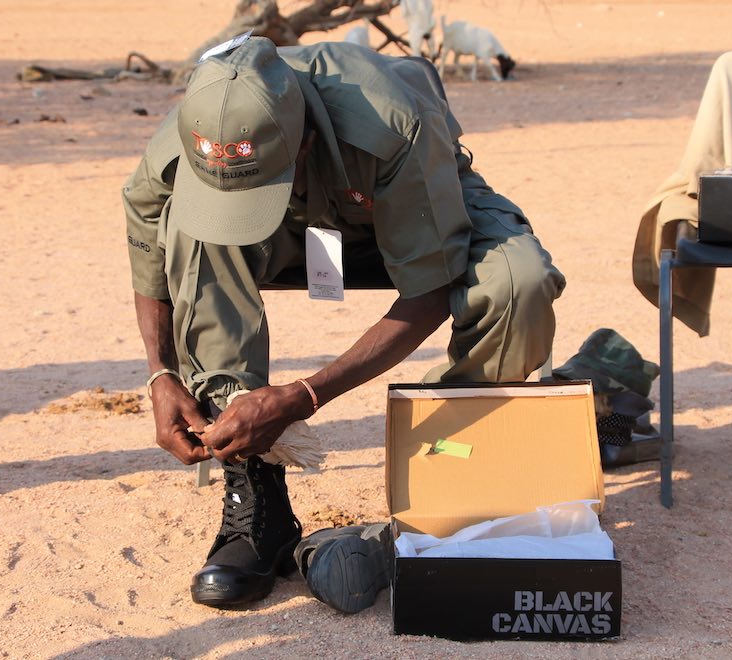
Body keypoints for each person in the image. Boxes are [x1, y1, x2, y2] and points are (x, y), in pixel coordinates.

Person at [122, 36, 565, 608]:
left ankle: (453, 477)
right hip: (290, 230)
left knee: (518, 281)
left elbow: (429, 287)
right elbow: (151, 265)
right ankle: (257, 500)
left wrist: (304, 396)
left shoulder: (392, 123)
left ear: (305, 139)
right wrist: (160, 374)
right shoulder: (188, 139)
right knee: (193, 233)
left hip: (404, 207)